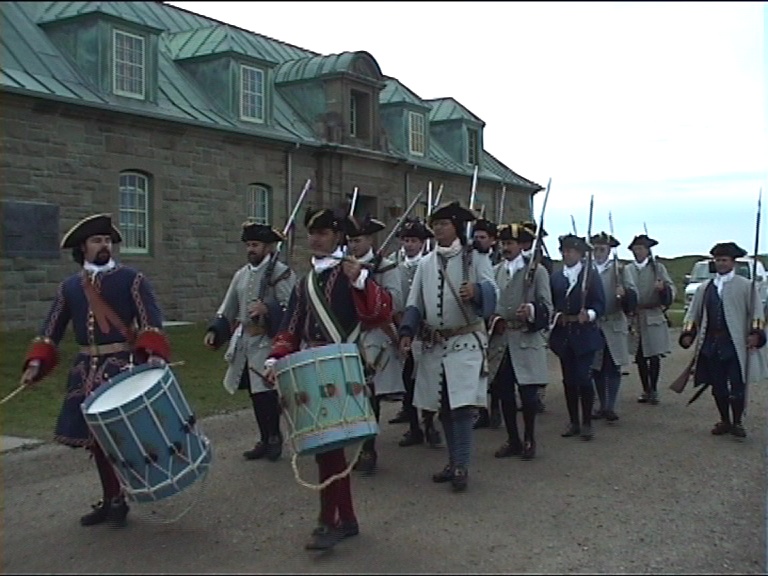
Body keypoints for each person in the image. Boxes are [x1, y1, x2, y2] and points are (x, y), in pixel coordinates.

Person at [20, 213, 171, 527]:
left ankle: (128, 495)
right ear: (82, 248)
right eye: (96, 241)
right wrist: (36, 363)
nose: (104, 246)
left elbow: (150, 323)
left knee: (120, 439)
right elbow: (51, 329)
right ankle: (113, 499)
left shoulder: (133, 279)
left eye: (107, 241)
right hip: (84, 372)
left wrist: (153, 356)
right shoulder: (69, 288)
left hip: (120, 370)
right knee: (97, 442)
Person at [263, 206, 393, 551]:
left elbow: (380, 312)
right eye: (312, 233)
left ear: (337, 237)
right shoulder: (305, 282)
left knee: (331, 449)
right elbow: (291, 326)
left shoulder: (351, 273)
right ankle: (346, 519)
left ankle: (328, 522)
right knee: (327, 451)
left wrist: (362, 281)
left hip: (343, 367)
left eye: (322, 233)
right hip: (312, 367)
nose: (315, 239)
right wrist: (276, 357)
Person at [398, 201, 498, 492]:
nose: (437, 229)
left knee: (463, 408)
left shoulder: (476, 259)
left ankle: (462, 466)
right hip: (435, 344)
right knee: (443, 407)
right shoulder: (427, 262)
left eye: (443, 223)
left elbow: (492, 293)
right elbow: (415, 301)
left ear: (456, 226)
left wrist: (477, 291)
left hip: (466, 341)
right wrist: (407, 331)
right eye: (436, 224)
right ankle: (453, 461)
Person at [204, 222, 296, 461]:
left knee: (266, 393)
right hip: (245, 341)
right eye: (248, 245)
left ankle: (274, 437)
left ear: (268, 247)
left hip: (268, 341)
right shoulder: (241, 275)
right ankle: (264, 438)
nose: (250, 250)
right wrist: (216, 330)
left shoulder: (281, 273)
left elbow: (292, 309)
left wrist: (268, 308)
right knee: (255, 395)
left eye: (255, 245)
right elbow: (229, 307)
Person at [679, 242, 766, 437]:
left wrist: (755, 334)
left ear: (733, 262)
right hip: (711, 345)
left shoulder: (746, 287)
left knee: (737, 386)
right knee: (718, 387)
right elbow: (693, 314)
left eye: (724, 260)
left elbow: (756, 314)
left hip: (735, 345)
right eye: (717, 260)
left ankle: (737, 422)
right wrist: (688, 334)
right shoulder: (704, 288)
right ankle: (724, 420)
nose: (720, 264)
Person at [345, 213, 404, 474]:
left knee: (370, 395)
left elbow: (395, 301)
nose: (353, 246)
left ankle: (368, 450)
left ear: (370, 239)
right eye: (350, 240)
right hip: (349, 335)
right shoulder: (343, 265)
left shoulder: (387, 267)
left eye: (357, 240)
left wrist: (365, 280)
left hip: (377, 334)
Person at [487, 224, 553, 460]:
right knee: (504, 393)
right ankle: (512, 439)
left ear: (520, 245)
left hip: (525, 338)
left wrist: (533, 310)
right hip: (502, 340)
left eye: (510, 244)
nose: (506, 248)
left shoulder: (537, 272)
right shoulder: (494, 271)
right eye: (503, 244)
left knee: (528, 396)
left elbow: (548, 306)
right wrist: (493, 319)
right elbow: (488, 305)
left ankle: (529, 439)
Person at [548, 234, 606, 441]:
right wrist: (556, 316)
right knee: (569, 381)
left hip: (585, 335)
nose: (566, 254)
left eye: (570, 251)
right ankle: (573, 421)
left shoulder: (591, 276)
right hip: (564, 335)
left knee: (583, 378)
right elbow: (551, 303)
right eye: (563, 251)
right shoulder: (555, 277)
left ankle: (587, 422)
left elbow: (600, 303)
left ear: (580, 254)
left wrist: (589, 314)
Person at [391, 217, 442, 449]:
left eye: (413, 240)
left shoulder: (431, 264)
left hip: (426, 332)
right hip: (402, 329)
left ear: (423, 243)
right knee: (406, 380)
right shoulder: (394, 265)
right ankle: (413, 426)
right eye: (406, 240)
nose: (409, 245)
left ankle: (430, 422)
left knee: (428, 380)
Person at [589, 232, 638, 422]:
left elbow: (634, 295)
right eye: (596, 249)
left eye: (602, 249)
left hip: (614, 322)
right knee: (596, 367)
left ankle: (610, 406)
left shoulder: (620, 270)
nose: (599, 253)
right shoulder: (587, 270)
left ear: (609, 250)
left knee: (613, 366)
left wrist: (625, 294)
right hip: (594, 324)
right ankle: (601, 404)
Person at [625, 234, 675, 405]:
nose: (637, 252)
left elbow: (671, 289)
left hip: (653, 315)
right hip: (636, 317)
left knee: (654, 355)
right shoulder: (628, 269)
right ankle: (645, 388)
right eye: (635, 249)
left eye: (641, 248)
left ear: (647, 251)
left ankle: (653, 388)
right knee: (639, 357)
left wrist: (663, 289)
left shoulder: (658, 268)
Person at [472, 218, 502, 429]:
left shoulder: (501, 261)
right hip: (477, 320)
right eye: (476, 237)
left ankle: (496, 409)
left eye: (483, 237)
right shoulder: (469, 258)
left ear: (492, 240)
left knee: (496, 370)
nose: (478, 241)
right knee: (479, 371)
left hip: (496, 321)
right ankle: (481, 411)